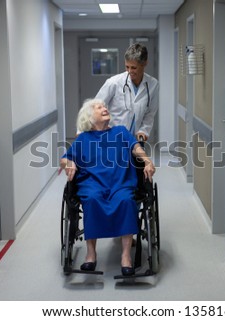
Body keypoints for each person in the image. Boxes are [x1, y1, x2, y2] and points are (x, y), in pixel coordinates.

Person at [60, 98, 155, 276]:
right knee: (92, 200)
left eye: (104, 106)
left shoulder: (121, 132)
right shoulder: (83, 139)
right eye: (99, 107)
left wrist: (148, 161)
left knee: (126, 201)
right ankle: (91, 254)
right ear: (89, 117)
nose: (104, 108)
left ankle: (126, 256)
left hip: (120, 183)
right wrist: (70, 163)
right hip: (92, 184)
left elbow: (135, 148)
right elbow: (65, 158)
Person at [93, 43, 159, 142]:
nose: (129, 71)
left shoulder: (153, 84)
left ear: (145, 63)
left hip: (136, 139)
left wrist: (144, 131)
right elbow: (94, 107)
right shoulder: (114, 82)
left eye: (134, 68)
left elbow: (150, 113)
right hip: (113, 138)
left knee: (138, 157)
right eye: (127, 67)